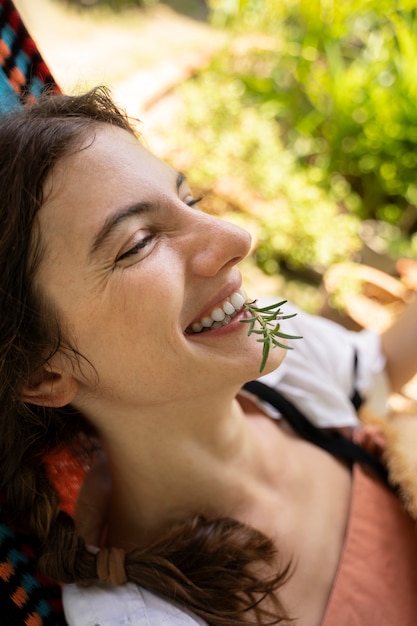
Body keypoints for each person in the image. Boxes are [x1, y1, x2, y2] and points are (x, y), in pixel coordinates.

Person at [1, 87, 417, 626]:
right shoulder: (146, 617)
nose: (235, 237)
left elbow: (374, 369)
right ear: (44, 372)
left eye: (189, 201)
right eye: (139, 243)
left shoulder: (288, 371)